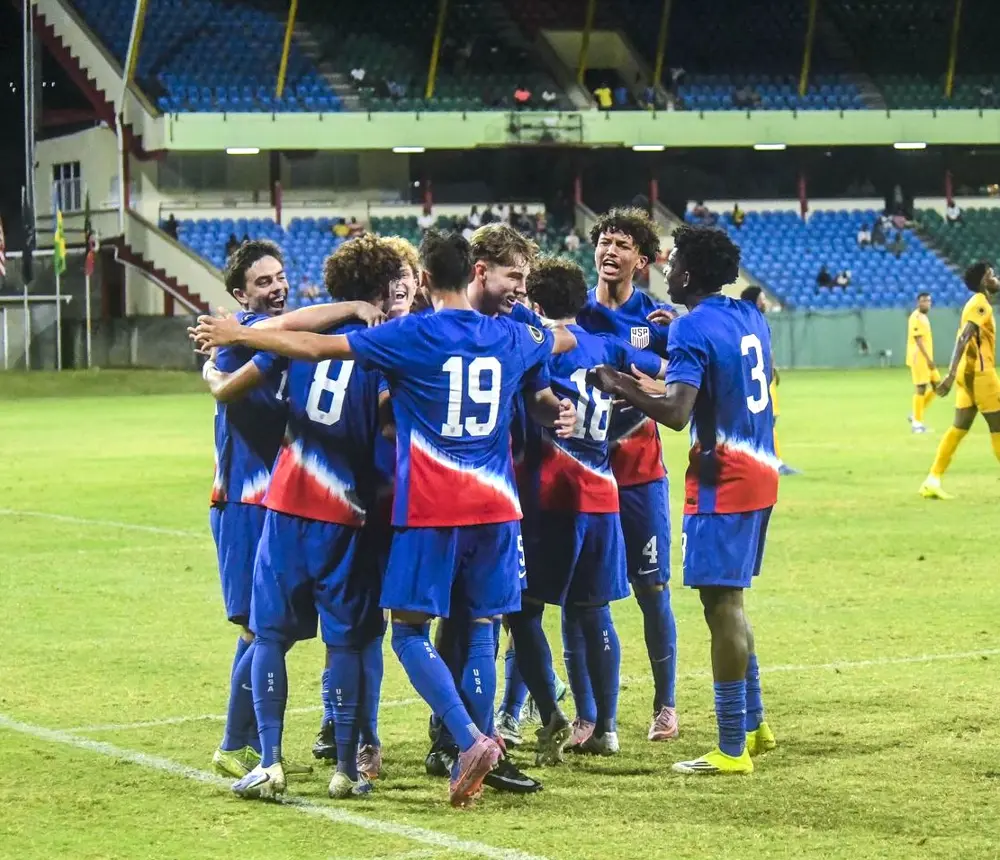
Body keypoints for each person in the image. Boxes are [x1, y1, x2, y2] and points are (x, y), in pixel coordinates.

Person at [193, 230, 578, 808]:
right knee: (450, 633)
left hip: (341, 507)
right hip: (461, 511)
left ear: (422, 281)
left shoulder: (397, 337)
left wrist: (235, 334)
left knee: (320, 635)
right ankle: (381, 757)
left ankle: (279, 757)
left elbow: (286, 359)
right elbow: (562, 338)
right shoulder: (501, 335)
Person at [198, 235, 399, 801]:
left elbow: (240, 373)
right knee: (345, 643)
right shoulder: (387, 347)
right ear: (384, 290)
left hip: (285, 504)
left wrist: (214, 372)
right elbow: (388, 420)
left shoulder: (291, 339)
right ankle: (345, 768)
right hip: (347, 514)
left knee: (267, 636)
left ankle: (269, 760)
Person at [588, 224, 778, 775]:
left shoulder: (693, 327)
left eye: (672, 264)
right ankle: (754, 725)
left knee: (722, 607)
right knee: (729, 602)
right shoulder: (749, 315)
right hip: (761, 471)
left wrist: (616, 381)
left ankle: (729, 747)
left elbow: (675, 413)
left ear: (689, 274)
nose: (665, 269)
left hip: (725, 480)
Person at [508, 257, 667, 764]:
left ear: (534, 302)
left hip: (550, 497)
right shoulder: (610, 346)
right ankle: (607, 729)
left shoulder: (536, 349)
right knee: (592, 609)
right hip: (603, 494)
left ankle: (551, 715)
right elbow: (660, 380)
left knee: (524, 610)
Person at [575, 207, 680, 745]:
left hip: (640, 475)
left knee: (652, 588)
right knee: (579, 597)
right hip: (581, 475)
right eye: (605, 242)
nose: (610, 251)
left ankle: (665, 705)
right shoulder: (573, 313)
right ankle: (588, 715)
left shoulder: (657, 321)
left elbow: (680, 390)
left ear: (642, 260)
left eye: (622, 244)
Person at [919, 262, 1000, 499]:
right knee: (998, 426)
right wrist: (950, 374)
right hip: (980, 374)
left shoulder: (975, 302)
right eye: (993, 275)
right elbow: (964, 337)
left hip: (969, 375)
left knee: (959, 427)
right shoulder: (980, 304)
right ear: (985, 280)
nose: (996, 279)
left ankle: (932, 479)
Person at [741, 286, 799, 475]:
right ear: (755, 301)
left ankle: (764, 461)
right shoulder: (753, 322)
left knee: (766, 421)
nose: (765, 302)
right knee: (767, 420)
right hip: (757, 381)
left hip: (761, 378)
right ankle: (774, 462)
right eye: (762, 298)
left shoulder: (747, 320)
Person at [906, 292, 939, 434]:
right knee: (920, 388)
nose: (927, 303)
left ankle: (915, 414)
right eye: (924, 301)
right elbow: (918, 340)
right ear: (918, 302)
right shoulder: (916, 317)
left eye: (929, 301)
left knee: (938, 386)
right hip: (919, 358)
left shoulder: (924, 317)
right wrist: (928, 359)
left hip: (926, 358)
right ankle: (917, 424)